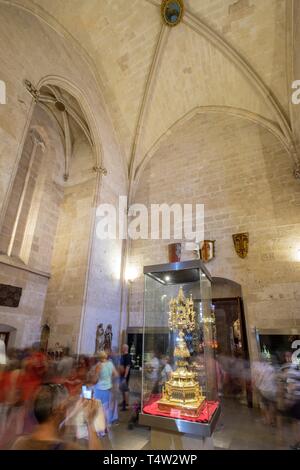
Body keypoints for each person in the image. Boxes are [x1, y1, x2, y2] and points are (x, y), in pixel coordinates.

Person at [11, 384, 102, 450]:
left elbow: (55, 428)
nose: (68, 408)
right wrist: (90, 422)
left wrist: (74, 411)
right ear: (60, 409)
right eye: (66, 405)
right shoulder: (68, 448)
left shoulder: (19, 444)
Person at [92, 351, 118, 431]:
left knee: (98, 408)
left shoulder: (98, 365)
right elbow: (116, 374)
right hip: (108, 388)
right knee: (106, 409)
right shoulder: (110, 363)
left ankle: (99, 427)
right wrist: (109, 379)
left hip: (99, 389)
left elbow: (95, 379)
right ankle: (107, 425)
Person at [119, 344, 131, 411]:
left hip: (124, 376)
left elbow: (128, 366)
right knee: (122, 389)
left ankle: (127, 405)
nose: (121, 349)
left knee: (125, 390)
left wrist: (125, 377)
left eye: (122, 348)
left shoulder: (128, 356)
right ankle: (123, 401)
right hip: (121, 375)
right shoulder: (123, 355)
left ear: (125, 348)